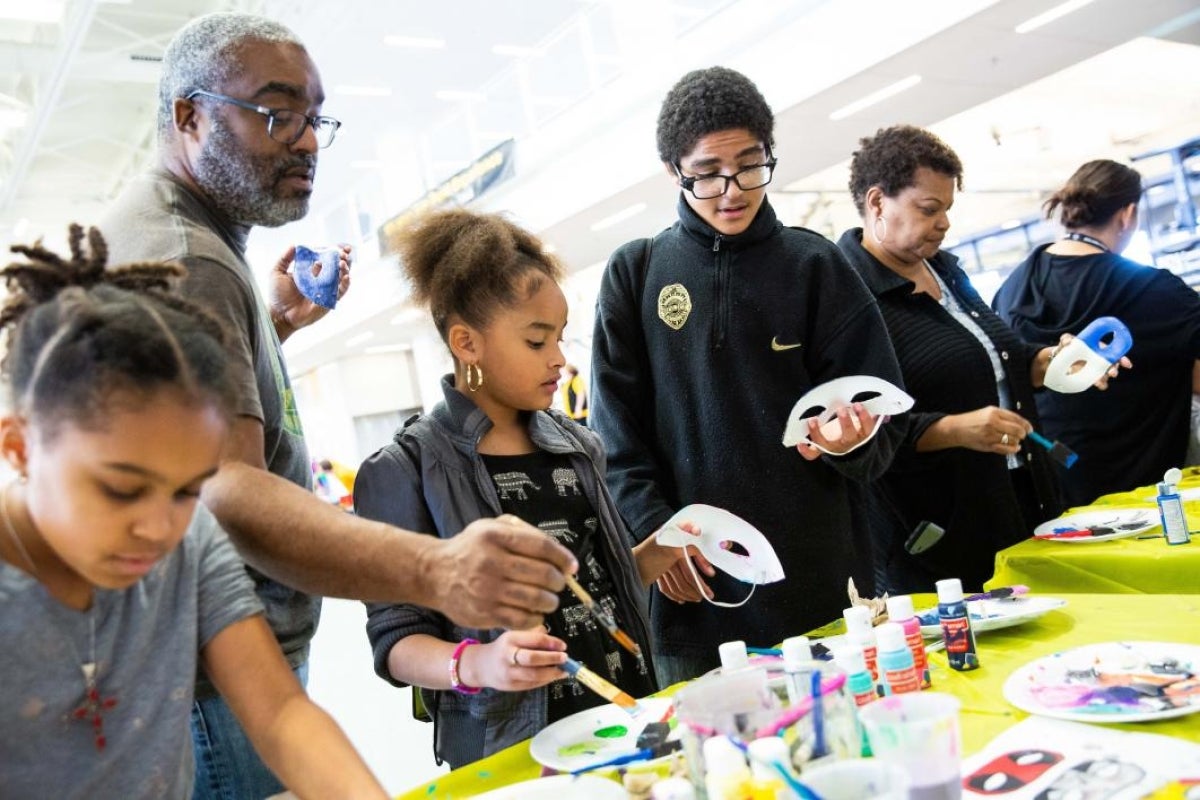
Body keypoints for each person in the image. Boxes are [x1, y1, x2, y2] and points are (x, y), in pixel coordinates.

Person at [98, 12, 574, 797]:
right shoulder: (186, 259)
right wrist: (435, 570)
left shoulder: (185, 245)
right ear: (189, 115)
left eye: (316, 118)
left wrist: (274, 322)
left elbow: (176, 431)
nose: (308, 140)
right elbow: (224, 488)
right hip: (210, 685)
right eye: (276, 113)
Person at [0, 227, 386, 799]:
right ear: (21, 447)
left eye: (187, 489)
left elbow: (281, 715)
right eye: (121, 489)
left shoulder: (192, 540)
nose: (160, 530)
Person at [590, 66, 905, 686]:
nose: (731, 190)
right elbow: (614, 434)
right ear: (673, 172)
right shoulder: (637, 271)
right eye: (707, 173)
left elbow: (883, 426)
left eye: (750, 164)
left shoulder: (815, 265)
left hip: (820, 584)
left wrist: (853, 441)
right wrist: (658, 532)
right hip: (695, 592)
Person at [355, 209, 688, 767]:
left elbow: (599, 583)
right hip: (514, 749)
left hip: (628, 720)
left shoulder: (578, 445)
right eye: (537, 341)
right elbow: (396, 641)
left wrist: (669, 546)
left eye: (559, 337)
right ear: (467, 343)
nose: (559, 358)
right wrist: (478, 664)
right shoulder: (403, 469)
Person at [835, 125, 1066, 592]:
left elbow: (995, 355)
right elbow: (861, 430)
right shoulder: (846, 297)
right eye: (929, 209)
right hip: (940, 535)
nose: (943, 223)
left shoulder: (946, 270)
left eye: (947, 210)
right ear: (877, 203)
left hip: (1020, 498)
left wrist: (1050, 361)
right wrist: (954, 429)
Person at [993, 159, 1200, 506]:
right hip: (1144, 488)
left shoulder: (1013, 288)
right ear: (1128, 214)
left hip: (1054, 483)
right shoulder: (1152, 289)